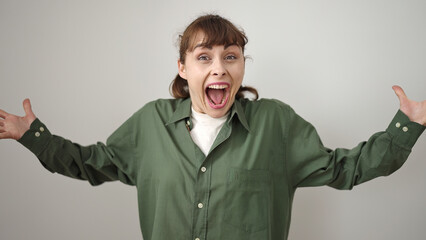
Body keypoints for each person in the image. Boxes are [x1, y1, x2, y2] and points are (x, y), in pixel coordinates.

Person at [0, 14, 425, 240]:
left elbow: (344, 169)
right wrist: (33, 136)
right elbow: (90, 163)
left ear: (241, 66)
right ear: (183, 68)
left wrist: (407, 126)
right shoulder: (150, 124)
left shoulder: (276, 123)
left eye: (231, 56)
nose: (218, 68)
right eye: (204, 57)